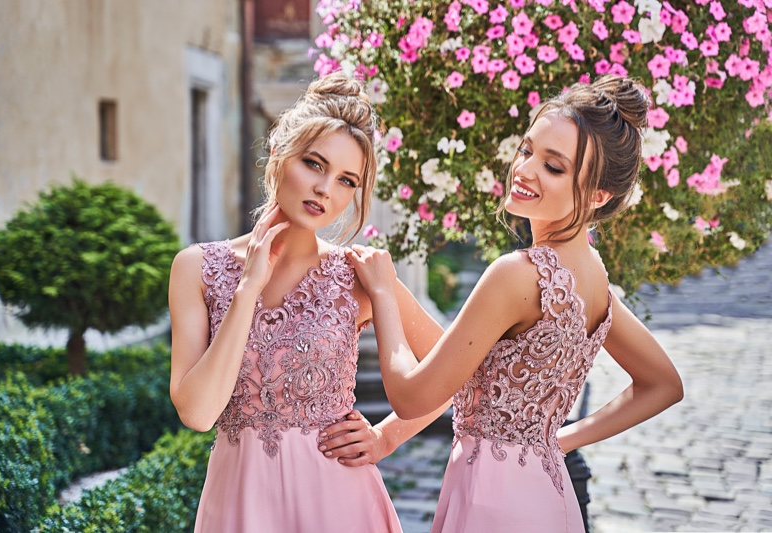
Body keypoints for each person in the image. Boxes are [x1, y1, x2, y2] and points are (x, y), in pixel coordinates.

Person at [346, 75, 685, 532]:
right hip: (549, 496)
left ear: (599, 196)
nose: (524, 171)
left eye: (554, 166)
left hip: (490, 503)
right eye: (527, 150)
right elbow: (663, 384)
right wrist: (555, 441)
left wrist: (385, 297)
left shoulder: (517, 274)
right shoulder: (594, 279)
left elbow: (413, 396)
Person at [168, 72, 447, 532]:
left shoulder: (360, 276)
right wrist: (247, 290)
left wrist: (385, 437)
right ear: (279, 155)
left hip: (339, 505)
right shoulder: (196, 268)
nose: (325, 189)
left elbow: (455, 374)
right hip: (239, 507)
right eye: (315, 164)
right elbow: (197, 414)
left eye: (346, 181)